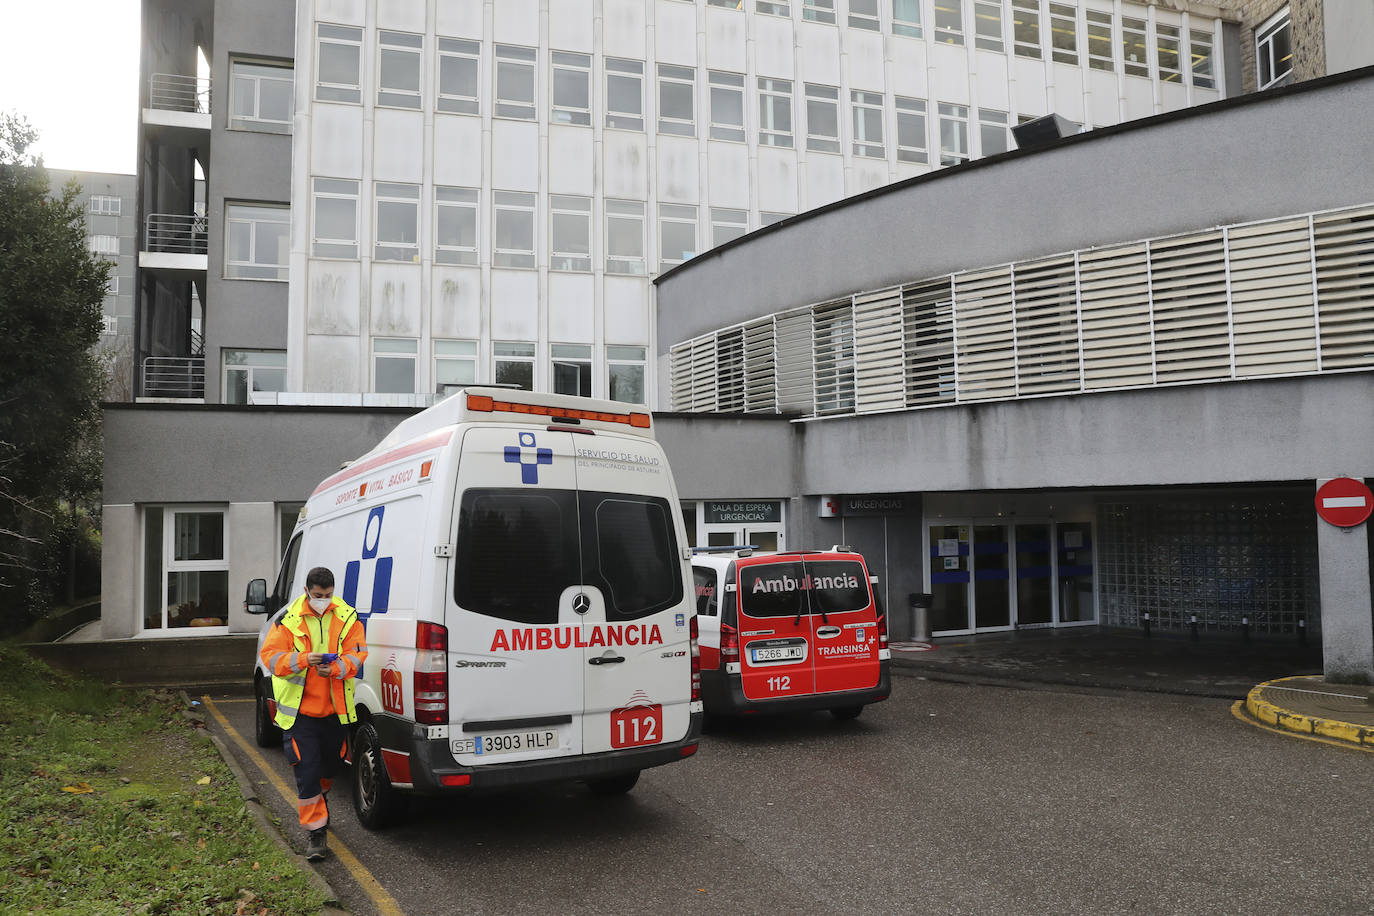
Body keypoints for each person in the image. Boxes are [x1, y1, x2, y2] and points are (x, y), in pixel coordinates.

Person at [259, 566, 368, 861]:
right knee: (307, 773)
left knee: (328, 769)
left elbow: (358, 655)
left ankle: (321, 799)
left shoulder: (347, 617)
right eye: (318, 595)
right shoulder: (288, 620)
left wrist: (333, 668)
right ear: (307, 591)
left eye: (328, 595)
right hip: (300, 714)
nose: (323, 600)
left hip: (334, 712)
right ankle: (316, 835)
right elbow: (271, 657)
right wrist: (304, 659)